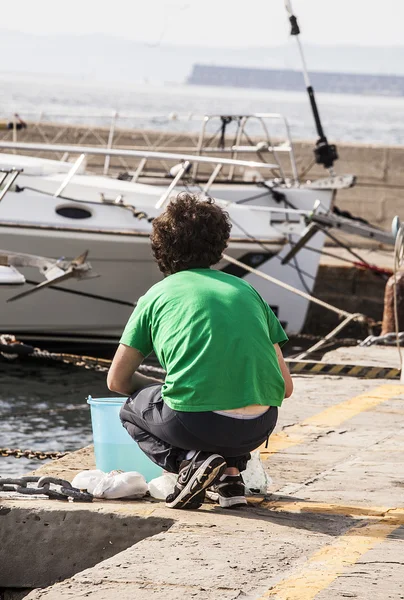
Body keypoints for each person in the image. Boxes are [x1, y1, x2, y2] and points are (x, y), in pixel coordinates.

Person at [107, 193, 293, 510]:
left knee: (128, 410)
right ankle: (231, 477)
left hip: (195, 423)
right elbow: (286, 387)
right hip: (259, 425)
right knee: (230, 398)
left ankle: (187, 464)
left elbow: (117, 381)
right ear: (220, 245)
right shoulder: (247, 291)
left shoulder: (156, 295)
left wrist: (156, 387)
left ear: (160, 248)